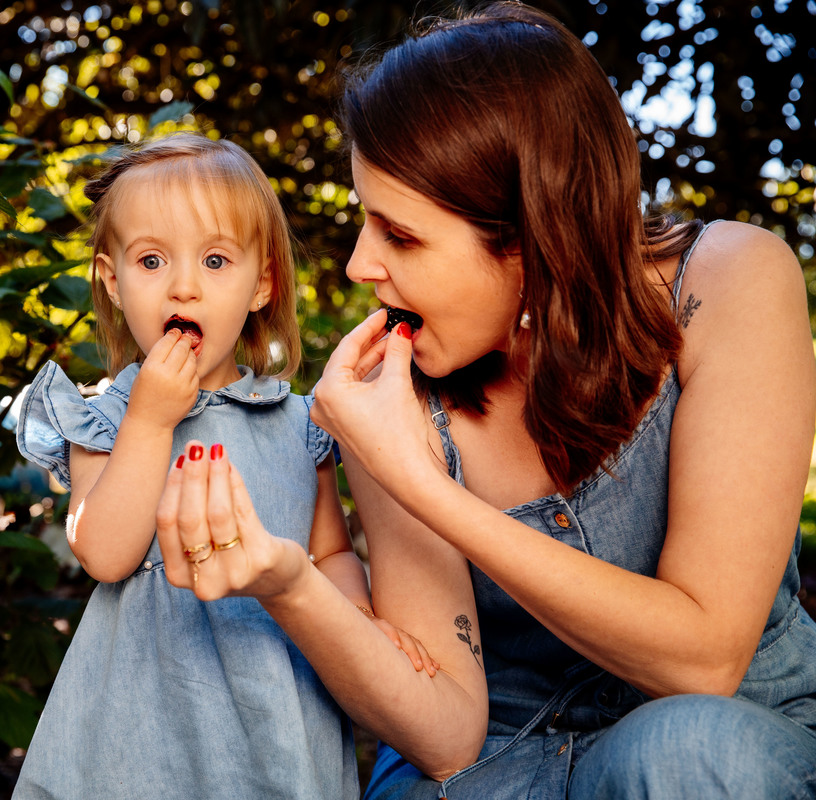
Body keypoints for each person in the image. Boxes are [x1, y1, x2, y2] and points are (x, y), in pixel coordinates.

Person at [154, 3, 816, 798]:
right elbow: (445, 734)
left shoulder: (730, 282)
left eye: (400, 236)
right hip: (495, 759)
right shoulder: (391, 396)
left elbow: (703, 658)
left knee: (687, 752)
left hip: (725, 744)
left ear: (536, 239)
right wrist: (296, 574)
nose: (360, 265)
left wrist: (425, 487)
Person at [12, 132, 434, 799]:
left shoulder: (299, 425)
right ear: (111, 281)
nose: (183, 286)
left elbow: (328, 553)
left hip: (273, 709)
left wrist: (359, 614)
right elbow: (104, 552)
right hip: (137, 732)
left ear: (262, 283)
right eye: (151, 260)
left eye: (214, 260)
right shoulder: (107, 417)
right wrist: (150, 420)